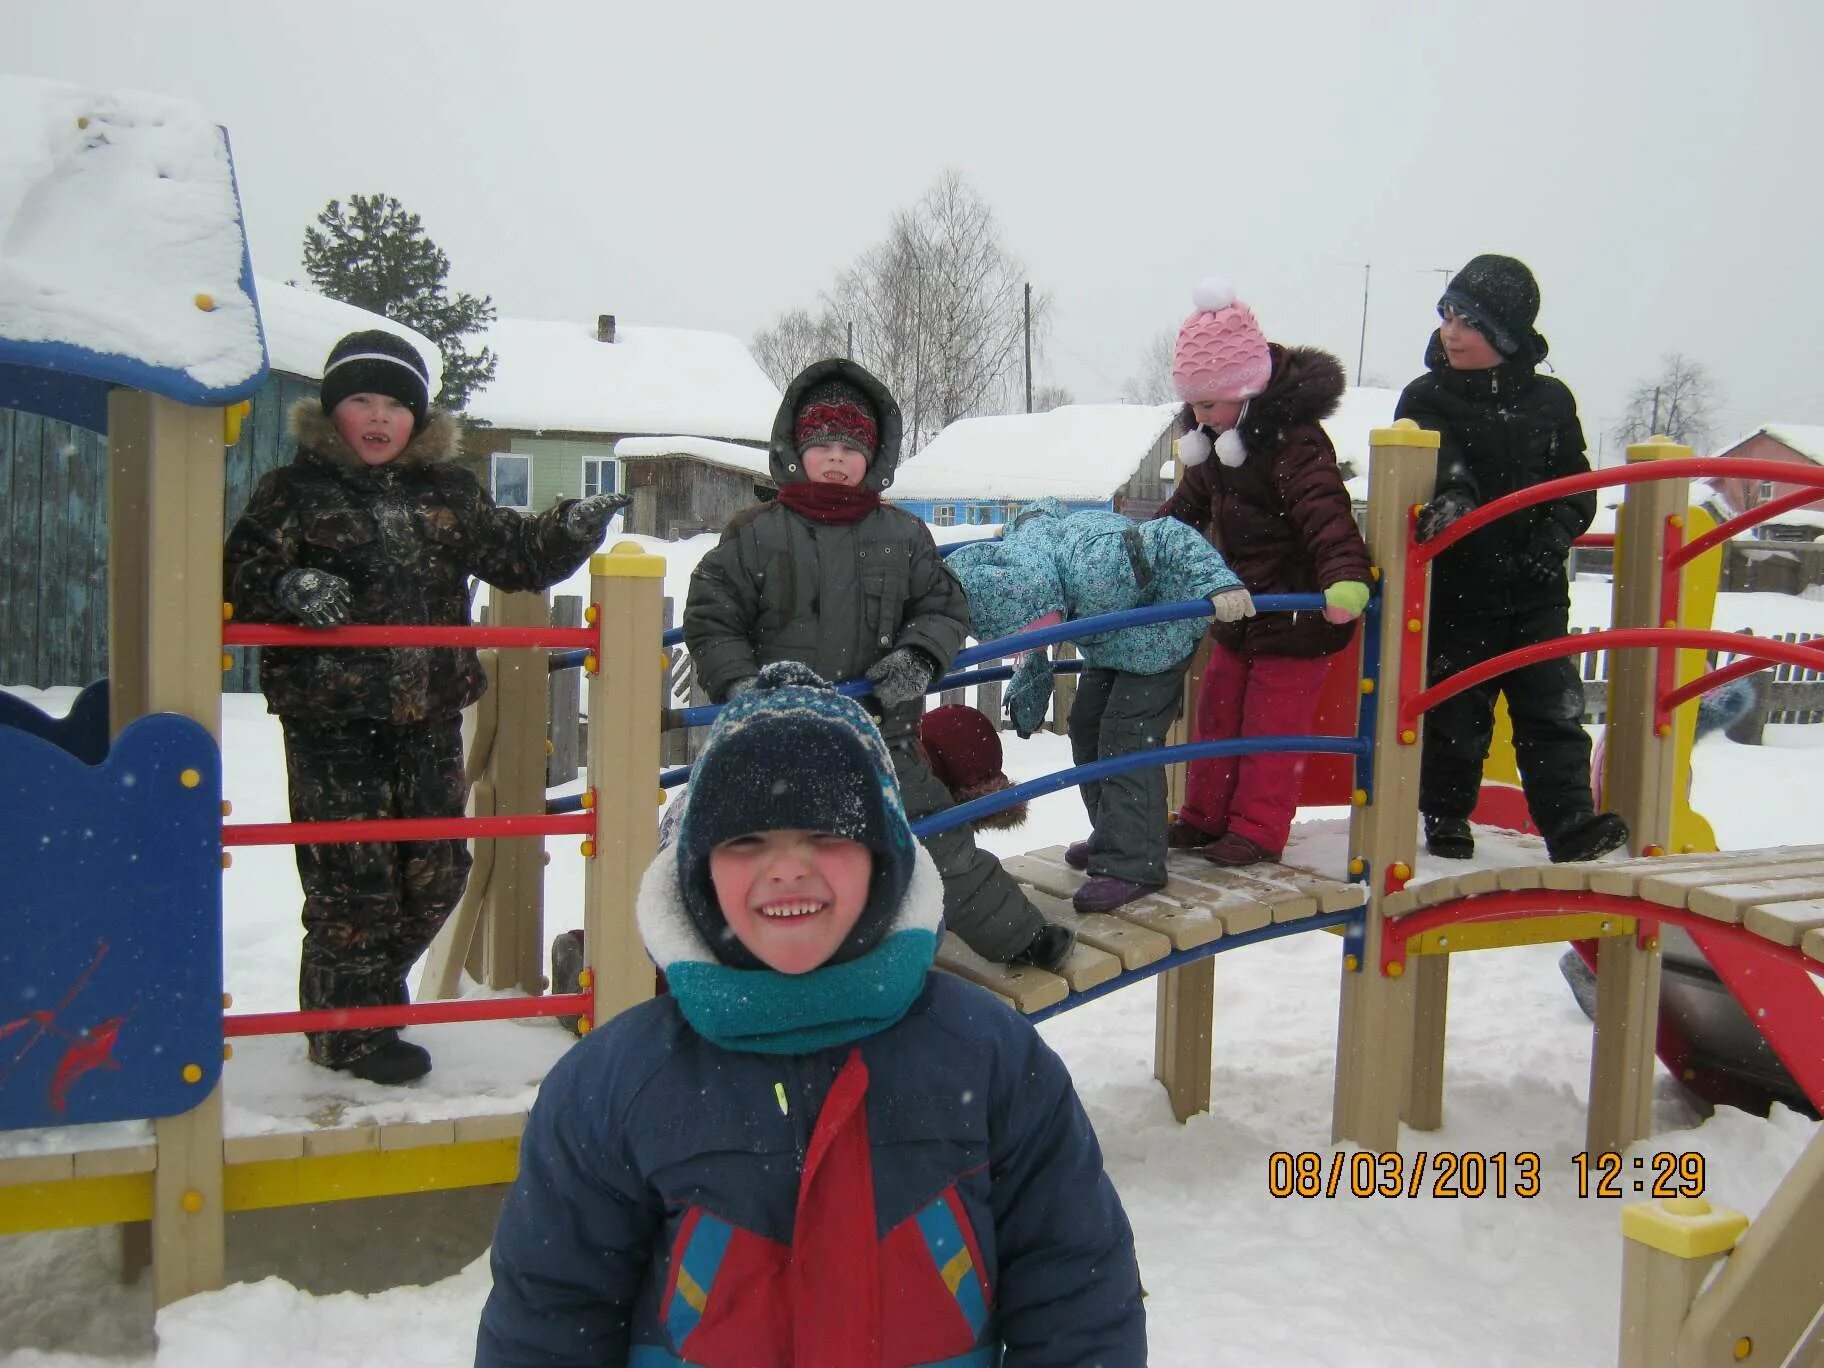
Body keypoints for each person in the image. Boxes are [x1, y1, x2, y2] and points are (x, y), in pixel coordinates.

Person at [475, 663, 1146, 1366]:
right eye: (746, 842)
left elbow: (1077, 1295)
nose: (787, 869)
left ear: (883, 860)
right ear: (695, 870)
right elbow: (550, 1321)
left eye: (825, 836)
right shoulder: (615, 1084)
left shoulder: (990, 1058)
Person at [224, 329, 627, 1084]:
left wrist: (569, 525)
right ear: (332, 413)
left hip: (430, 714)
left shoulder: (448, 493)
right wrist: (294, 587)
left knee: (439, 869)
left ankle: (364, 1001)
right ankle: (345, 1032)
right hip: (333, 719)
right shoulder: (294, 492)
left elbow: (515, 554)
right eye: (360, 402)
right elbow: (245, 568)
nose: (378, 419)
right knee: (353, 879)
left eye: (394, 406)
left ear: (418, 418)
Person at [683, 358, 1067, 970]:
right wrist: (741, 683)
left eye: (850, 446)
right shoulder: (756, 534)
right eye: (822, 445)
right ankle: (750, 971)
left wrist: (918, 656)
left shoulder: (902, 534)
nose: (836, 458)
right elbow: (712, 615)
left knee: (941, 843)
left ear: (874, 455)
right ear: (795, 450)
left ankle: (1020, 936)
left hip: (884, 734)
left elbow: (942, 606)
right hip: (785, 735)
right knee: (774, 861)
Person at [1396, 254, 1629, 863]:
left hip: (1535, 588)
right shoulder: (1427, 394)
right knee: (1455, 709)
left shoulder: (1549, 400)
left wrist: (1554, 536)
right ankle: (1446, 814)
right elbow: (1440, 459)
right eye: (1447, 315)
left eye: (1469, 321)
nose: (1451, 331)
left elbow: (1575, 479)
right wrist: (1453, 497)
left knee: (1550, 708)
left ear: (1505, 334)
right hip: (1461, 585)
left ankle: (1571, 824)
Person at [1155, 278, 1373, 866]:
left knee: (1271, 731)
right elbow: (1182, 515)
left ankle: (1256, 829)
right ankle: (1203, 818)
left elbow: (1325, 514)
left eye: (1208, 402)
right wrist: (1142, 549)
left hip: (1298, 614)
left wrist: (1345, 576)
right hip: (1244, 610)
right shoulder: (1216, 439)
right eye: (1194, 403)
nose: (1197, 416)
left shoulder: (1294, 444)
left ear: (1247, 388)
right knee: (1218, 713)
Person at [948, 496, 1252, 912]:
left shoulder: (1098, 563)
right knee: (1087, 728)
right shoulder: (1030, 568)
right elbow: (1044, 510)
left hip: (1160, 632)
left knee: (1126, 737)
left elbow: (1168, 534)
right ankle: (1116, 836)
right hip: (1110, 639)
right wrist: (1031, 680)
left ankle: (1134, 863)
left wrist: (1216, 581)